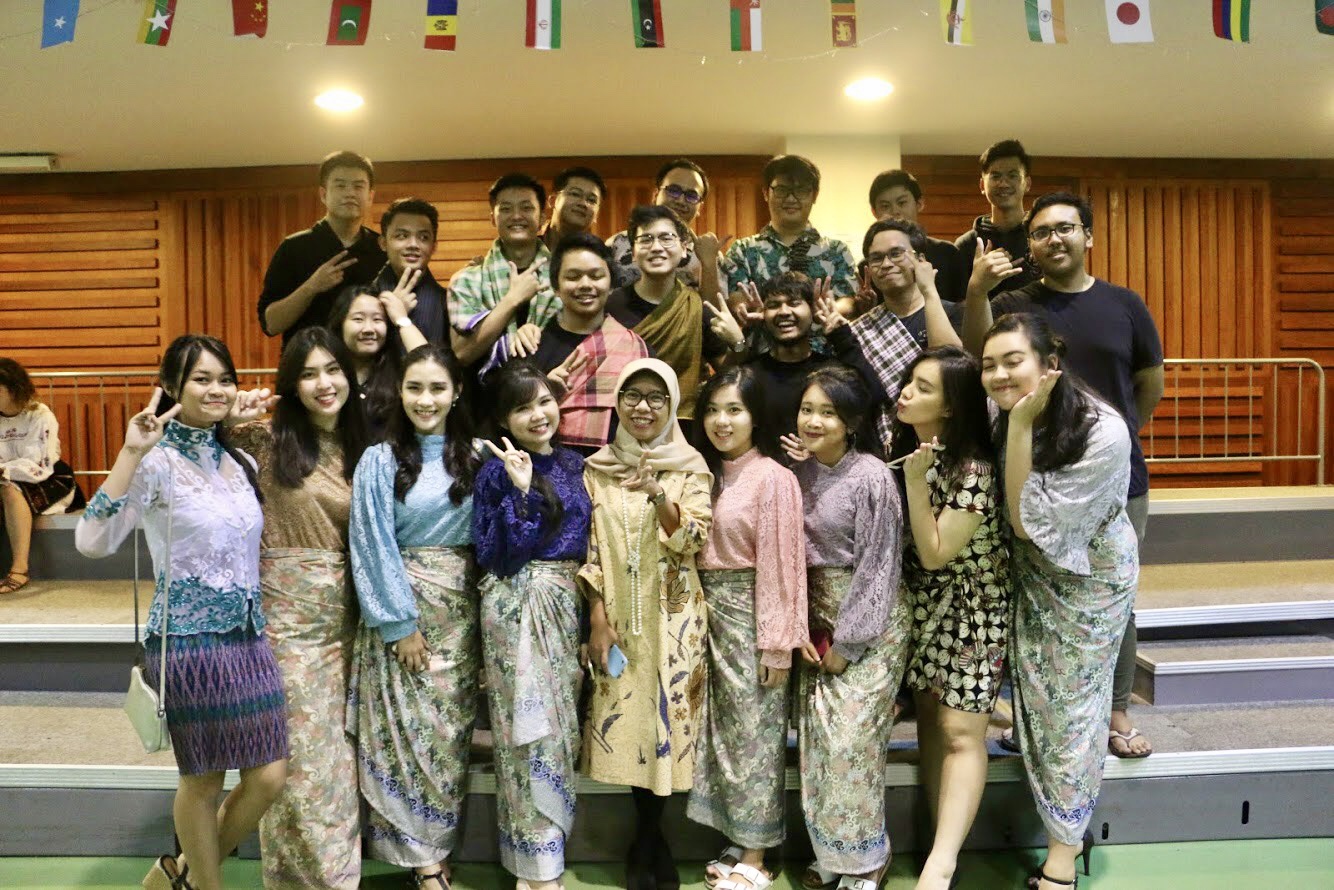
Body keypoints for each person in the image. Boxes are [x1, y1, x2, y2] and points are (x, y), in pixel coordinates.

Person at [75, 335, 288, 890]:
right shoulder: (156, 463)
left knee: (269, 776)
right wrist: (129, 452)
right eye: (201, 378)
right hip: (189, 640)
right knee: (204, 780)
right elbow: (92, 541)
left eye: (224, 378)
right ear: (171, 386)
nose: (216, 389)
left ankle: (182, 874)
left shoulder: (237, 458)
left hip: (248, 637)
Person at [962, 191, 1165, 760]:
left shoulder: (1125, 304)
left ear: (1088, 236)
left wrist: (1110, 445)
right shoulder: (1020, 304)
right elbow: (981, 347)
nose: (1054, 238)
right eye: (1041, 232)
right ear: (1029, 245)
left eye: (1065, 228)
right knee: (1038, 600)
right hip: (1031, 477)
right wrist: (977, 289)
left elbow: (1151, 383)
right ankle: (1039, 713)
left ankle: (1116, 711)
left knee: (1112, 598)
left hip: (1114, 482)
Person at [980, 313, 1138, 890]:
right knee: (1036, 700)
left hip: (1087, 584)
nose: (998, 374)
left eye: (1012, 361)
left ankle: (1063, 857)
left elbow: (1026, 524)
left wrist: (1019, 427)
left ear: (1050, 362)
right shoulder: (1004, 408)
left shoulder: (1103, 430)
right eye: (989, 364)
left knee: (1071, 712)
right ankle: (1054, 800)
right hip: (1032, 577)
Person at [228, 328, 370, 890]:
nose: (323, 383)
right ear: (291, 385)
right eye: (308, 373)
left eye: (332, 369)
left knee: (336, 760)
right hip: (287, 624)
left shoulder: (367, 449)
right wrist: (224, 419)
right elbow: (186, 460)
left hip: (348, 621)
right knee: (306, 764)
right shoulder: (262, 441)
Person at [348, 344, 481, 889]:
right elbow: (370, 542)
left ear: (457, 392)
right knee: (406, 739)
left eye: (437, 388)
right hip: (403, 614)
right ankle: (424, 864)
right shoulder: (378, 460)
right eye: (414, 388)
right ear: (399, 393)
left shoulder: (478, 455)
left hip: (463, 617)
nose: (426, 400)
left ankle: (437, 847)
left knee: (446, 741)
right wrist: (399, 624)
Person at [580, 359, 713, 890]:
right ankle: (646, 837)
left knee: (667, 723)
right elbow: (588, 549)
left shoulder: (690, 466)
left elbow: (693, 540)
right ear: (617, 404)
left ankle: (651, 839)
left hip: (676, 619)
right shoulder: (597, 468)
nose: (642, 407)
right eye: (632, 395)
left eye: (656, 397)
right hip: (616, 618)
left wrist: (659, 494)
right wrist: (596, 617)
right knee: (628, 722)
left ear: (672, 406)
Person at [887, 347, 1008, 890]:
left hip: (973, 609)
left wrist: (914, 483)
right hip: (925, 607)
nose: (907, 392)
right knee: (933, 722)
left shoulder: (974, 470)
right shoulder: (910, 453)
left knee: (961, 731)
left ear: (953, 407)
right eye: (908, 381)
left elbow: (937, 551)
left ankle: (943, 863)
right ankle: (940, 839)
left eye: (924, 387)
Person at [786, 366, 909, 890]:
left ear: (852, 422)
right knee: (818, 744)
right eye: (808, 409)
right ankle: (834, 856)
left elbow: (880, 564)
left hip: (870, 626)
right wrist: (804, 630)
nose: (814, 420)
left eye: (828, 412)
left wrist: (849, 640)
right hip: (817, 624)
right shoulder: (799, 471)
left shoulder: (872, 476)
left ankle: (867, 859)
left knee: (850, 744)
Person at [473, 361, 592, 890]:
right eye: (522, 407)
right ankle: (534, 870)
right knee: (523, 735)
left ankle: (549, 855)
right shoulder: (496, 469)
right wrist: (521, 491)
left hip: (565, 607)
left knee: (559, 732)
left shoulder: (575, 463)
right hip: (515, 605)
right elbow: (498, 556)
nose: (537, 414)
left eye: (543, 400)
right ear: (504, 418)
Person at [687, 367, 807, 890]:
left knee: (756, 734)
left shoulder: (774, 478)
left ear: (756, 416)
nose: (721, 420)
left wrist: (777, 644)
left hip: (750, 614)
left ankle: (757, 854)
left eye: (734, 409)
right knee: (722, 734)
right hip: (704, 615)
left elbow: (783, 565)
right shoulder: (702, 471)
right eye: (713, 409)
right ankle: (737, 835)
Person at [607, 205, 745, 423]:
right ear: (633, 252)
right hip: (622, 424)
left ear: (683, 250)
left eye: (666, 238)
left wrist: (738, 342)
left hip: (683, 425)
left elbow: (727, 374)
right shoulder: (611, 306)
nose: (656, 247)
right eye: (646, 240)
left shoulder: (695, 306)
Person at [838, 220, 964, 450]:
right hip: (889, 451)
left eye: (896, 254)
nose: (886, 264)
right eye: (876, 258)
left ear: (920, 259)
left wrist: (929, 290)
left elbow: (952, 372)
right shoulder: (861, 330)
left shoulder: (954, 313)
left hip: (954, 445)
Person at [529, 233, 649, 453]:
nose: (585, 285)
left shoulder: (634, 348)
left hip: (620, 473)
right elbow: (512, 418)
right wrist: (545, 392)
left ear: (611, 285)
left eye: (596, 276)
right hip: (546, 473)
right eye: (573, 277)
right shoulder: (532, 347)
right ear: (556, 286)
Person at [258, 151, 387, 346]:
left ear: (370, 196)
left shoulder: (382, 249)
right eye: (340, 185)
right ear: (323, 194)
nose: (350, 193)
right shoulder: (294, 247)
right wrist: (311, 287)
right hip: (309, 368)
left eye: (358, 186)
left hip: (371, 371)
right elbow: (271, 324)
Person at [448, 173, 560, 373]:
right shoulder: (467, 280)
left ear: (542, 217)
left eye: (526, 208)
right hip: (487, 396)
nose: (516, 216)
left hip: (552, 393)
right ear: (493, 218)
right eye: (506, 209)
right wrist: (512, 300)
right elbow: (462, 354)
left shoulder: (562, 277)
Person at [725, 156, 859, 312]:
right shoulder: (743, 250)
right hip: (762, 335)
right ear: (766, 193)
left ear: (814, 195)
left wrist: (828, 309)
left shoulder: (836, 251)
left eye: (801, 190)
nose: (790, 198)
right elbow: (736, 300)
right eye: (782, 190)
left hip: (820, 335)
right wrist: (753, 309)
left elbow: (848, 300)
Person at [0, 357, 80, 594]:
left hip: (48, 476)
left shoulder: (39, 414)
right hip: (6, 475)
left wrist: (4, 471)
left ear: (13, 388)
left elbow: (41, 463)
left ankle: (19, 569)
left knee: (10, 489)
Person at [607, 158, 727, 305]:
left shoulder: (710, 254)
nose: (681, 200)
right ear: (656, 194)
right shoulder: (617, 243)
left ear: (700, 208)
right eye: (674, 191)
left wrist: (708, 263)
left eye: (691, 195)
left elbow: (714, 315)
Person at [327, 276, 428, 436]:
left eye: (377, 319)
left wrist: (401, 319)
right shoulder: (327, 373)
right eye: (358, 319)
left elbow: (431, 367)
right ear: (340, 324)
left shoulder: (398, 373)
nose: (368, 328)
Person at [955, 139, 1040, 300]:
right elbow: (956, 307)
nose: (1003, 183)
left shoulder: (1040, 237)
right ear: (982, 185)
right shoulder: (966, 245)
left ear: (1027, 184)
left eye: (1013, 175)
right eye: (995, 176)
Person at [868, 169, 965, 303]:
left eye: (902, 203)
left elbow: (962, 305)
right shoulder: (871, 265)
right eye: (885, 206)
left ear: (919, 204)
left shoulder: (948, 253)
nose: (895, 211)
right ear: (874, 212)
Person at [369, 198, 449, 344]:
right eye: (402, 236)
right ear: (383, 243)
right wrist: (385, 315)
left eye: (423, 237)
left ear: (434, 247)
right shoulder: (362, 296)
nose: (413, 244)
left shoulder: (447, 301)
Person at [542, 166, 607, 251]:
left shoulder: (600, 256)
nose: (583, 204)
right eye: (575, 194)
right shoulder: (529, 247)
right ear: (553, 201)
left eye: (591, 200)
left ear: (596, 215)